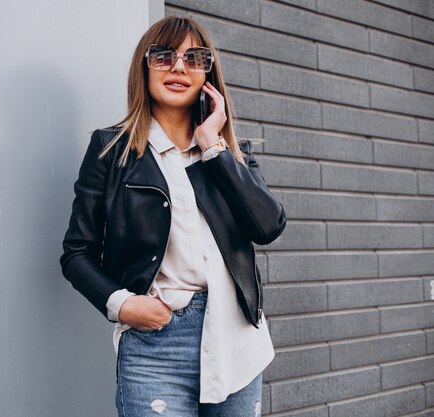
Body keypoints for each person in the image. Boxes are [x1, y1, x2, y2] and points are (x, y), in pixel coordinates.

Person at [59, 16, 287, 417]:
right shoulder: (111, 151)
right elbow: (77, 252)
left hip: (236, 340)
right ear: (143, 68)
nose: (179, 67)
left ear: (208, 75)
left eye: (194, 58)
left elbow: (267, 226)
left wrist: (214, 147)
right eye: (163, 56)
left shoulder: (229, 154)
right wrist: (122, 304)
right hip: (157, 344)